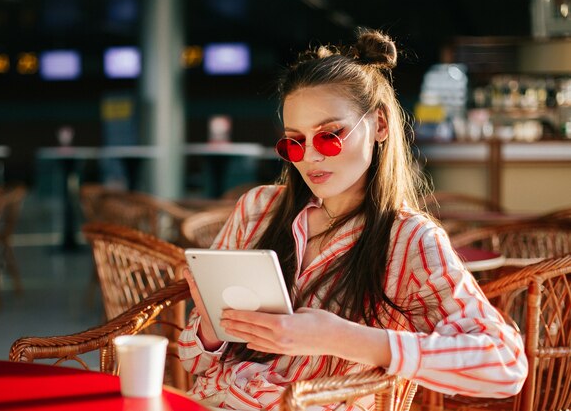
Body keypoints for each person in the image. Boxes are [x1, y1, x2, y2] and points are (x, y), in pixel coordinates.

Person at [179, 28, 527, 411]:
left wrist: (340, 337)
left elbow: (505, 365)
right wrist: (212, 327)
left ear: (379, 125)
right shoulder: (258, 209)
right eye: (293, 142)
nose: (310, 157)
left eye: (329, 136)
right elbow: (194, 362)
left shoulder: (408, 239)